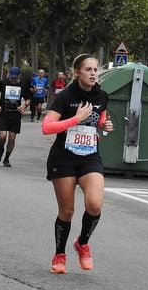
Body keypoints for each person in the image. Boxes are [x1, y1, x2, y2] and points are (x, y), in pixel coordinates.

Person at [41, 54, 114, 274]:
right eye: (88, 69)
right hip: (63, 158)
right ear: (77, 72)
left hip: (90, 157)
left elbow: (99, 119)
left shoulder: (101, 95)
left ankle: (82, 242)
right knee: (67, 211)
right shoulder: (65, 96)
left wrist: (104, 124)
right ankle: (59, 254)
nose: (93, 73)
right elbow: (47, 127)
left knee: (94, 204)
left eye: (95, 70)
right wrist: (76, 119)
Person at [0, 66, 31, 166]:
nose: (13, 79)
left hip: (15, 114)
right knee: (2, 136)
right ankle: (1, 149)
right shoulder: (3, 82)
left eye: (15, 77)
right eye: (11, 77)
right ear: (9, 74)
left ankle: (6, 159)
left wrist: (25, 105)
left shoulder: (23, 85)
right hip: (4, 112)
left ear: (19, 76)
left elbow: (28, 99)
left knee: (12, 137)